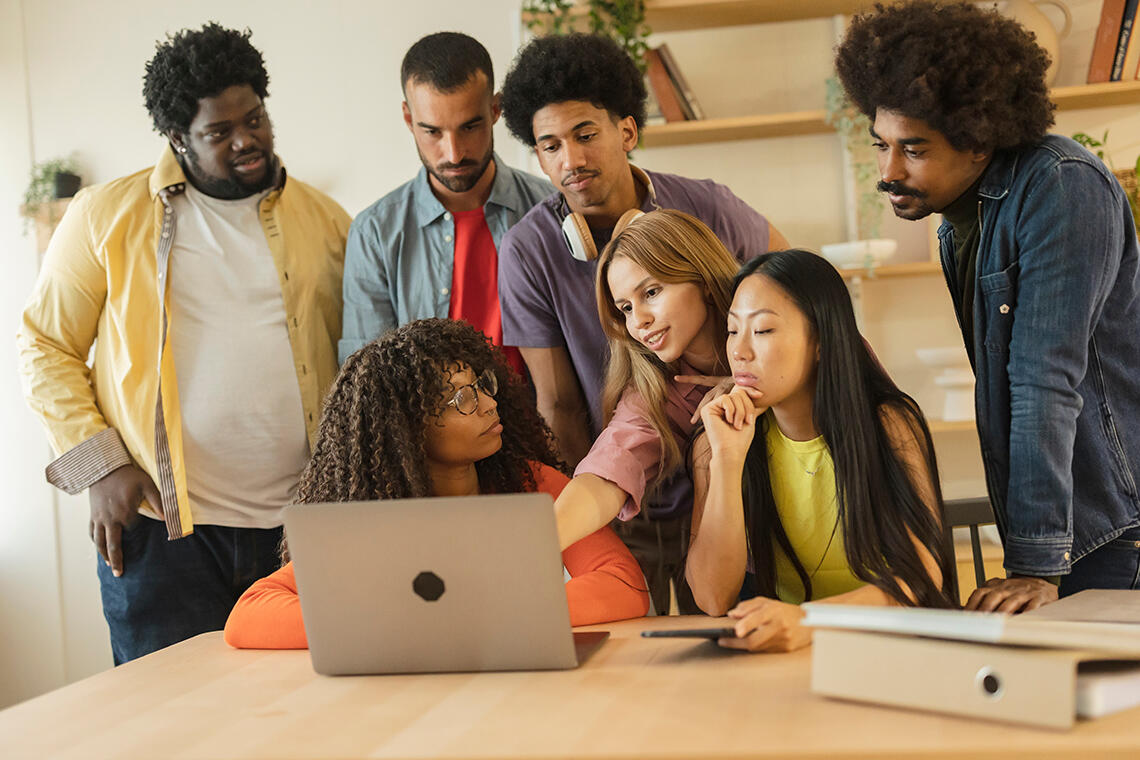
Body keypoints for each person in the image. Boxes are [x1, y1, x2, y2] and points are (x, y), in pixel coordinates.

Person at [16, 24, 350, 664]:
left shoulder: (329, 221)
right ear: (178, 139)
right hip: (161, 536)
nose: (246, 140)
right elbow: (44, 344)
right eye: (219, 133)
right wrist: (101, 463)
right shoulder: (103, 215)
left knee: (305, 726)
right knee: (167, 730)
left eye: (253, 119)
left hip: (302, 530)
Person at [835, 1, 1140, 608]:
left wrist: (1033, 565)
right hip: (1076, 531)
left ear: (979, 143)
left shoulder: (1061, 185)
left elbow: (1041, 379)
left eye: (914, 150)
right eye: (880, 145)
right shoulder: (961, 219)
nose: (887, 171)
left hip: (1118, 527)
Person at [497, 33, 788, 611]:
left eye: (585, 135)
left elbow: (797, 294)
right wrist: (574, 532)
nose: (571, 161)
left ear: (626, 132)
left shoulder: (709, 207)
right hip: (637, 501)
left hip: (758, 478)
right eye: (549, 145)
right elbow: (570, 415)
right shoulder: (530, 251)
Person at [223, 319, 649, 648]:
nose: (488, 403)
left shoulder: (531, 482)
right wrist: (406, 623)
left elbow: (624, 585)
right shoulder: (371, 518)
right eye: (463, 398)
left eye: (482, 386)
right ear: (408, 429)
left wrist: (486, 615)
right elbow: (250, 615)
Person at [689, 250, 956, 652]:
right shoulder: (719, 441)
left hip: (898, 650)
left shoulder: (888, 424)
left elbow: (919, 576)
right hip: (797, 656)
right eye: (731, 330)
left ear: (821, 342)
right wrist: (726, 461)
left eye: (762, 331)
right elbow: (713, 599)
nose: (739, 351)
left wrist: (811, 619)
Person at [548, 209, 739, 616]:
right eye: (625, 309)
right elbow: (609, 469)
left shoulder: (781, 330)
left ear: (702, 279)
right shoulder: (657, 388)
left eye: (651, 292)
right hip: (733, 579)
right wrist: (536, 541)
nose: (640, 321)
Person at [339, 32, 551, 375]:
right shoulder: (374, 233)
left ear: (495, 109)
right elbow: (371, 385)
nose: (454, 153)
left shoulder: (550, 210)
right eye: (432, 132)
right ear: (409, 119)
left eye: (470, 127)